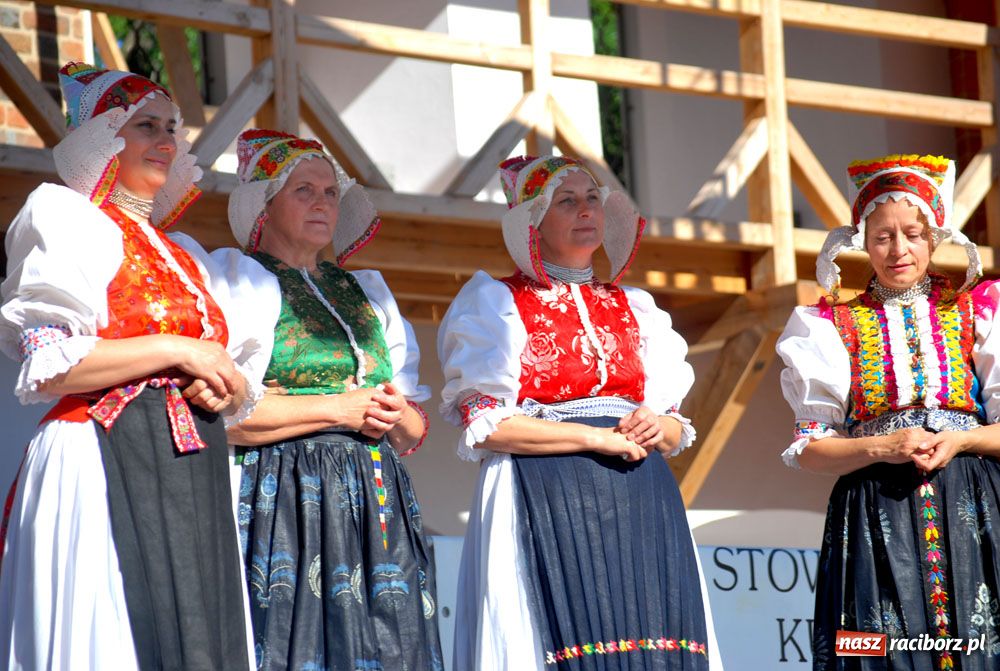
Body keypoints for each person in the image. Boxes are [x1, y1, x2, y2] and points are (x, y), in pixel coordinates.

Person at [0, 62, 270, 669]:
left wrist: (221, 388)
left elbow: (229, 371)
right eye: (146, 126)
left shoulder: (187, 255)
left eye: (172, 128)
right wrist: (180, 350)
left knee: (199, 632)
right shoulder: (68, 219)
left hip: (188, 461)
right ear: (103, 139)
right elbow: (49, 366)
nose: (167, 141)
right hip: (99, 450)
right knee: (117, 629)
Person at [439, 155, 721, 670]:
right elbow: (488, 425)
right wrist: (595, 439)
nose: (586, 211)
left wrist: (660, 424)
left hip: (640, 493)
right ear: (533, 222)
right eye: (565, 202)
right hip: (543, 483)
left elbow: (676, 424)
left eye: (593, 199)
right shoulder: (494, 302)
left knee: (653, 638)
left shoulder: (636, 305)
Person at [221, 128, 443, 671]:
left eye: (329, 192)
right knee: (295, 643)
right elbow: (227, 418)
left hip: (376, 492)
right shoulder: (240, 279)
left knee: (393, 644)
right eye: (303, 190)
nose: (322, 202)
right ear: (264, 205)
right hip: (286, 490)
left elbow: (413, 429)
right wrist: (337, 409)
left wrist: (397, 416)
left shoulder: (366, 292)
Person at [777, 154, 1000, 670]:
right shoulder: (827, 325)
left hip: (972, 502)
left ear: (934, 238)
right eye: (882, 237)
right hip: (876, 509)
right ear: (862, 241)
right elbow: (810, 447)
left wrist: (961, 440)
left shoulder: (978, 310)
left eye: (913, 234)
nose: (899, 249)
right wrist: (883, 446)